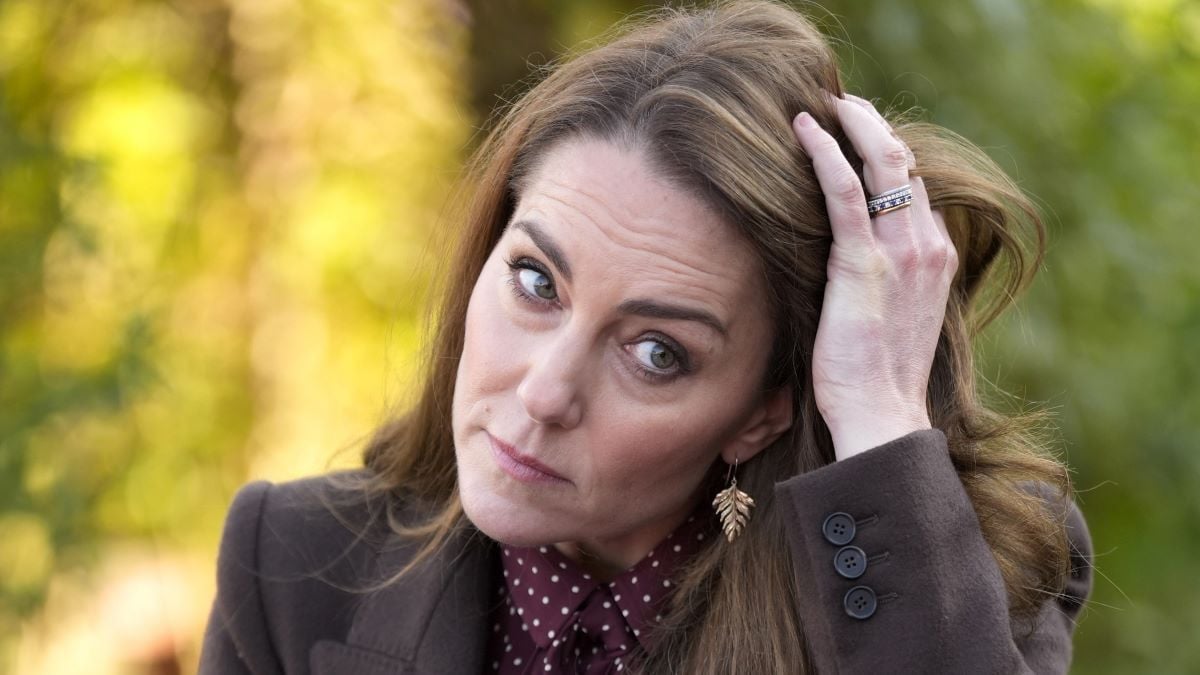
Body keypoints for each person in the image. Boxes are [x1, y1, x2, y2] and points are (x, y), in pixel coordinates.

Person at [198, 1, 1094, 673]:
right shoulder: (292, 563)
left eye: (657, 352)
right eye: (535, 282)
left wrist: (877, 410)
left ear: (762, 411)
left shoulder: (951, 580)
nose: (545, 392)